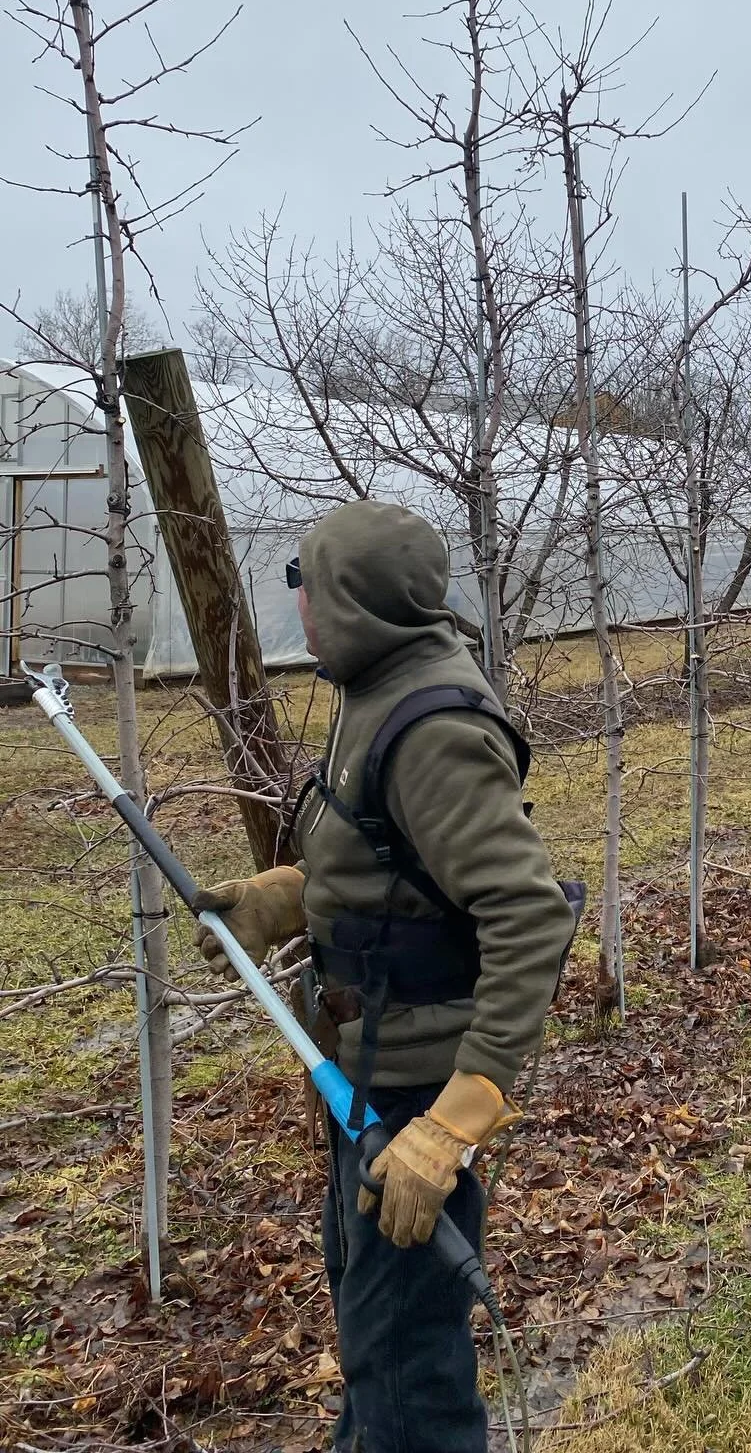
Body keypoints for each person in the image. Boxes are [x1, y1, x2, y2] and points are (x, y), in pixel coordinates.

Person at [193, 502, 578, 1453]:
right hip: (367, 1074)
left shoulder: (431, 726)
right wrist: (283, 898)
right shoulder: (375, 688)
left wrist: (455, 1122)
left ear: (352, 602)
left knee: (408, 1363)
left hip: (416, 1090)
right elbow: (388, 859)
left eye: (309, 589)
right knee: (375, 1332)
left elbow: (527, 913)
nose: (302, 610)